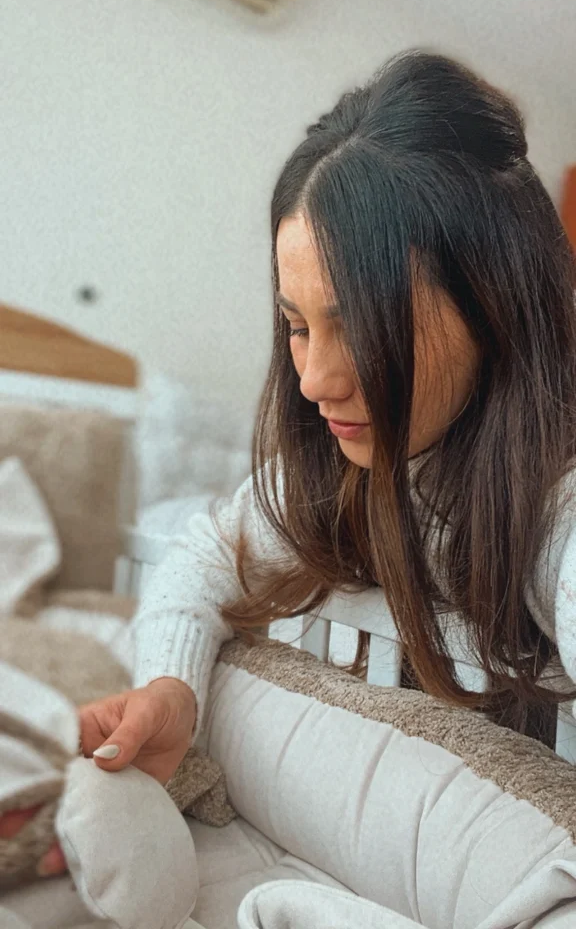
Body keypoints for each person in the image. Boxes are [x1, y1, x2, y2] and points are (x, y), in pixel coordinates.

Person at [19, 51, 576, 875]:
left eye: (363, 326)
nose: (314, 380)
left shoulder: (555, 505)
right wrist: (172, 688)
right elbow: (205, 557)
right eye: (298, 326)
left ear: (494, 308)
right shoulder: (333, 473)